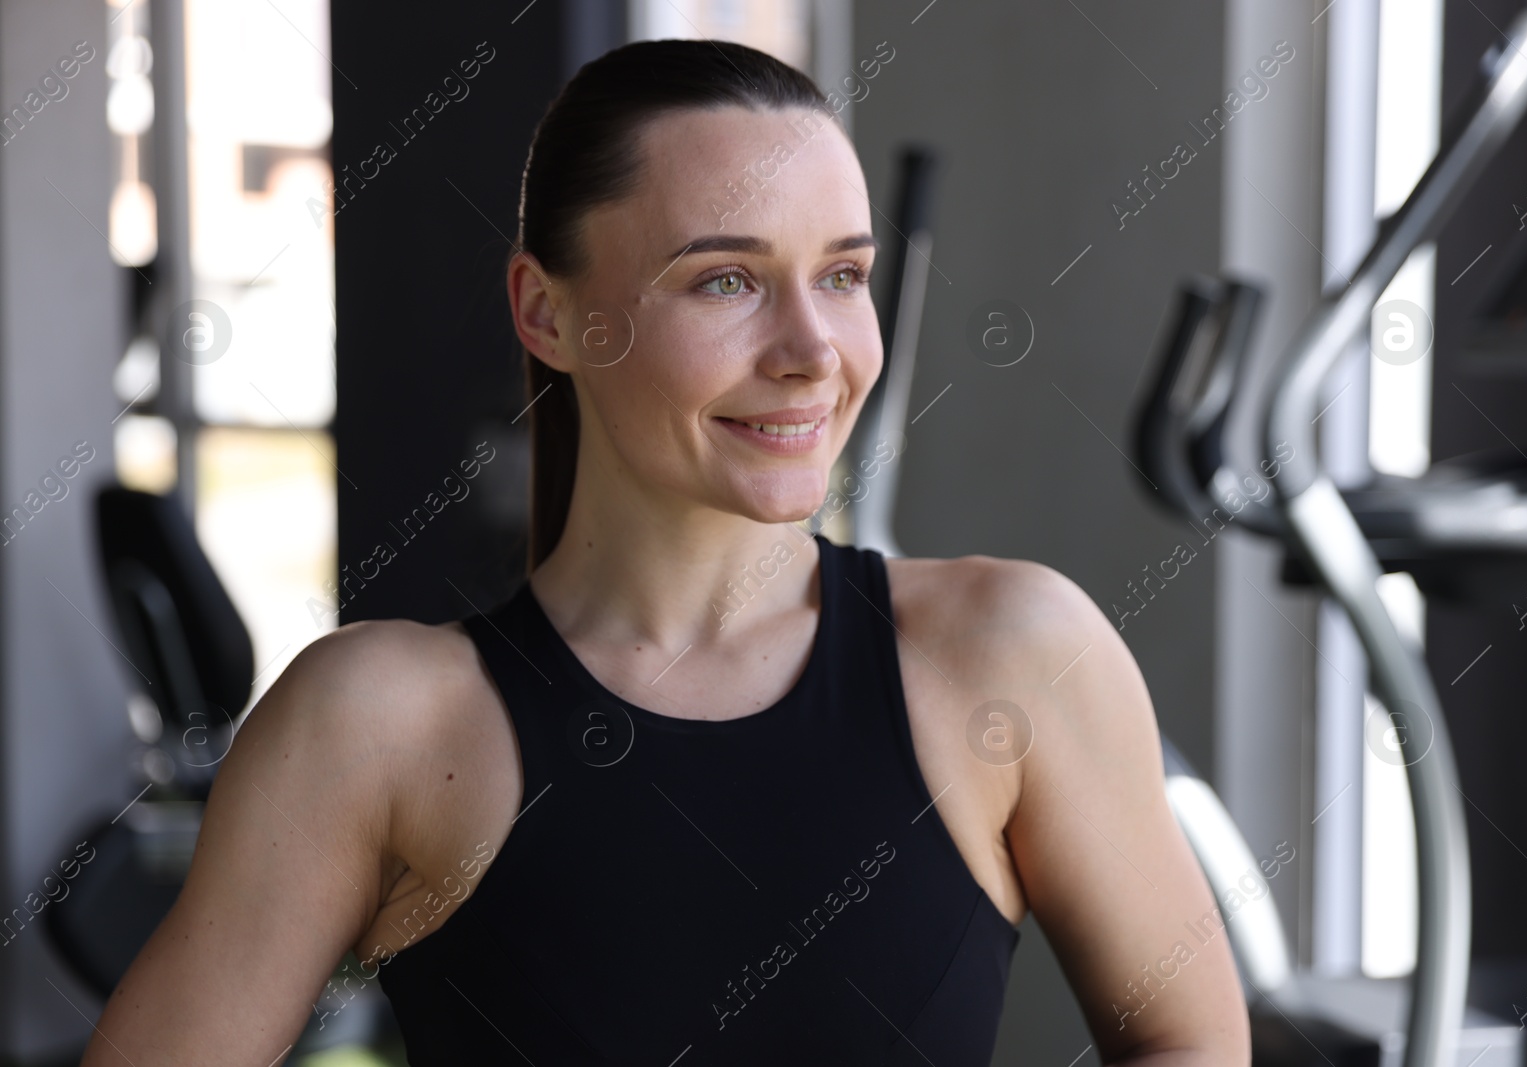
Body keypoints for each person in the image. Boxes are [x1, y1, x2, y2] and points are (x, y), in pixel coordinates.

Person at [82, 38, 1248, 1066]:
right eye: (727, 279)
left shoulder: (1013, 655)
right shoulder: (378, 721)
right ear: (547, 313)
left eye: (843, 274)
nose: (811, 349)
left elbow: (1189, 1035)